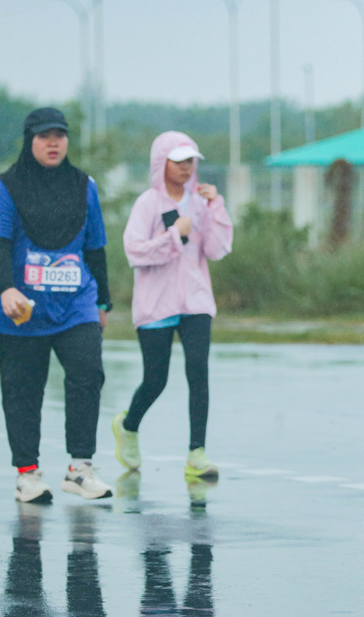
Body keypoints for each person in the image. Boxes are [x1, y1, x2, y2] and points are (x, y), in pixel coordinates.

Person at [0, 107, 114, 503]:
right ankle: (27, 475)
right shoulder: (8, 186)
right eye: (44, 136)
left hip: (76, 304)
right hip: (22, 309)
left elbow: (96, 246)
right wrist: (7, 288)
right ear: (30, 141)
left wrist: (103, 301)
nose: (53, 142)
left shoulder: (84, 185)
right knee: (23, 391)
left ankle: (80, 469)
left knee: (88, 375)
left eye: (60, 135)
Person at [112, 131, 232, 482]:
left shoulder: (200, 202)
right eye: (178, 161)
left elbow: (217, 250)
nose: (185, 167)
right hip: (156, 304)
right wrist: (174, 235)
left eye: (190, 161)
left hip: (196, 301)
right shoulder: (147, 203)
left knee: (198, 373)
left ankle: (197, 454)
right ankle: (128, 426)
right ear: (161, 162)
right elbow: (134, 251)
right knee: (156, 379)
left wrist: (216, 207)